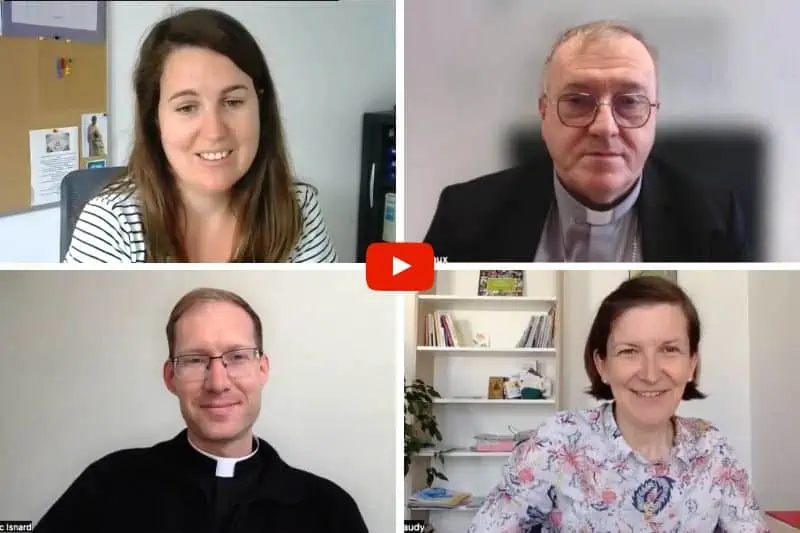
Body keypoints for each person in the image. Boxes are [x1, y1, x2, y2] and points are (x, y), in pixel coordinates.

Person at [34, 287, 367, 532]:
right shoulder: (107, 485)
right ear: (170, 377)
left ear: (262, 370)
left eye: (237, 357)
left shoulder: (328, 509)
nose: (218, 382)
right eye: (195, 360)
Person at [424, 20, 750, 262]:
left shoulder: (714, 221)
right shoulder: (465, 213)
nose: (605, 127)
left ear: (654, 116)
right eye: (578, 102)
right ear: (544, 114)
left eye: (630, 102)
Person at [468, 275, 768, 532]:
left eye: (670, 349)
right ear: (602, 365)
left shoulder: (713, 448)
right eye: (629, 351)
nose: (651, 374)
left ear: (691, 364)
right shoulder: (557, 443)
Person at [63, 8, 336, 263]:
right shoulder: (111, 224)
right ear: (154, 119)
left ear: (260, 106)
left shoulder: (298, 208)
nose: (214, 131)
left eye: (233, 102)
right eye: (187, 107)